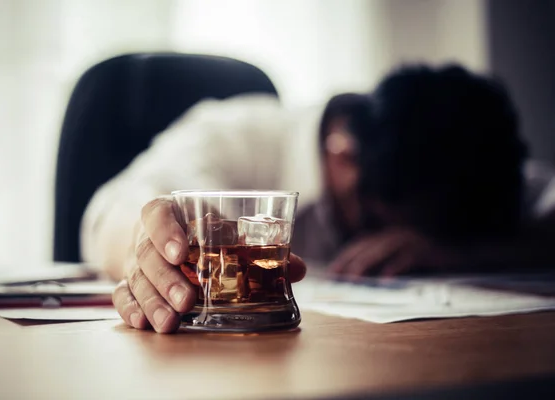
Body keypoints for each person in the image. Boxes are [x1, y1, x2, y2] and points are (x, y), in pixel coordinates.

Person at [81, 64, 555, 332]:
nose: (384, 247)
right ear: (345, 154)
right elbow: (109, 210)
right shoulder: (241, 134)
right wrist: (147, 243)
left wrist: (460, 250)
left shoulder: (455, 168)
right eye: (372, 222)